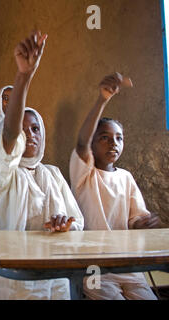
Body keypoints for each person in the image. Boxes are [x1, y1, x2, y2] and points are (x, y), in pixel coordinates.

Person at [0, 31, 85, 300]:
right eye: (24, 130)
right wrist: (24, 76)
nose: (31, 134)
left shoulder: (53, 174)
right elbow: (9, 136)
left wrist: (65, 224)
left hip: (52, 275)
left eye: (36, 128)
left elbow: (78, 221)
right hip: (11, 279)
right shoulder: (3, 174)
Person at [70, 72, 160, 300]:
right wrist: (102, 99)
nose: (113, 143)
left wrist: (144, 223)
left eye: (119, 138)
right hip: (93, 267)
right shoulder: (84, 174)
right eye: (104, 137)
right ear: (92, 143)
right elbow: (81, 142)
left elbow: (135, 219)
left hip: (127, 264)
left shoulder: (126, 178)